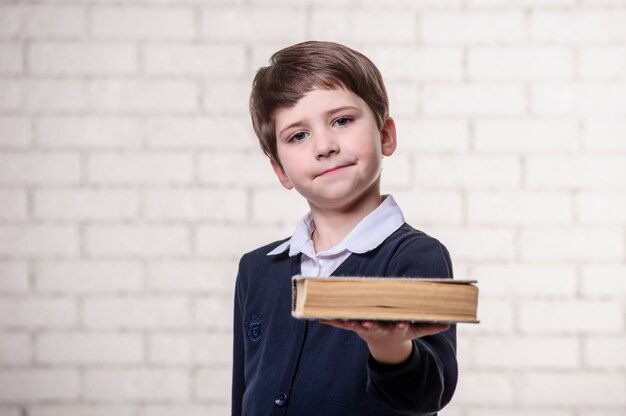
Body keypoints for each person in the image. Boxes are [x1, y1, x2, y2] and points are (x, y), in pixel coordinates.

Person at [231, 40, 457, 416]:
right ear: (281, 171)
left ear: (385, 135)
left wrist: (391, 348)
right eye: (298, 135)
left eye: (342, 121)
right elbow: (243, 393)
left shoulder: (416, 256)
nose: (324, 145)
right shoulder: (257, 269)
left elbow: (428, 394)